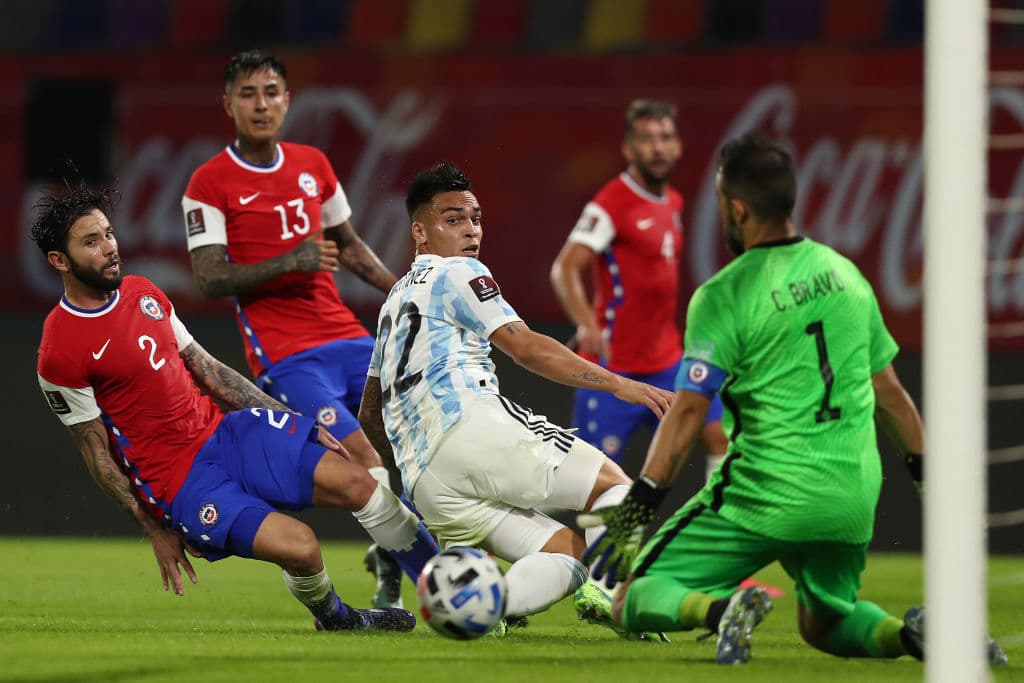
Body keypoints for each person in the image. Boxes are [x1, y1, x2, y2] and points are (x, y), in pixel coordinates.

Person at [579, 134, 1008, 666]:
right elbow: (890, 394)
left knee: (631, 599)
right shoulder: (846, 275)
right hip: (851, 492)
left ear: (736, 208)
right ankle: (914, 638)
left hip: (767, 494)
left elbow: (690, 411)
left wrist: (641, 502)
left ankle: (723, 610)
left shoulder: (724, 294)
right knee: (824, 623)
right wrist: (930, 480)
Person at [35, 184, 438, 632]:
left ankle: (442, 588)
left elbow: (210, 370)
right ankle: (340, 620)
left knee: (359, 483)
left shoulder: (143, 291)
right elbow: (95, 453)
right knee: (302, 548)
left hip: (227, 434)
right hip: (181, 481)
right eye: (91, 242)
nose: (109, 248)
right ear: (60, 260)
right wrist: (153, 527)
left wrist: (293, 419)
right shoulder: (59, 349)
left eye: (108, 234)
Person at [357, 161, 676, 637]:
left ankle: (493, 606)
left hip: (428, 481)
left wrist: (412, 480)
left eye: (476, 218)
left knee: (570, 555)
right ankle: (614, 594)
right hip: (469, 425)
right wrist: (618, 383)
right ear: (420, 233)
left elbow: (370, 412)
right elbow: (525, 347)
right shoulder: (460, 272)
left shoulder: (393, 303)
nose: (471, 231)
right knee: (616, 489)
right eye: (454, 219)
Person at [181, 50, 408, 608]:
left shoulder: (313, 164)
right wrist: (290, 261)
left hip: (351, 339)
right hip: (289, 355)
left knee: (414, 452)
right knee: (368, 465)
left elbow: (349, 245)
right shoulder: (208, 183)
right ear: (229, 103)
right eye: (249, 94)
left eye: (272, 92)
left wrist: (405, 289)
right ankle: (412, 583)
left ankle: (394, 562)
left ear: (288, 100)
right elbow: (209, 278)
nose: (262, 104)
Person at [550, 99, 728, 481]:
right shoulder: (611, 203)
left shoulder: (673, 202)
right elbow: (564, 268)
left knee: (721, 438)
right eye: (647, 139)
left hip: (668, 363)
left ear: (678, 146)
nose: (658, 147)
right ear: (629, 149)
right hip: (614, 369)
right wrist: (586, 324)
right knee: (594, 480)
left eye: (665, 138)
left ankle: (722, 531)